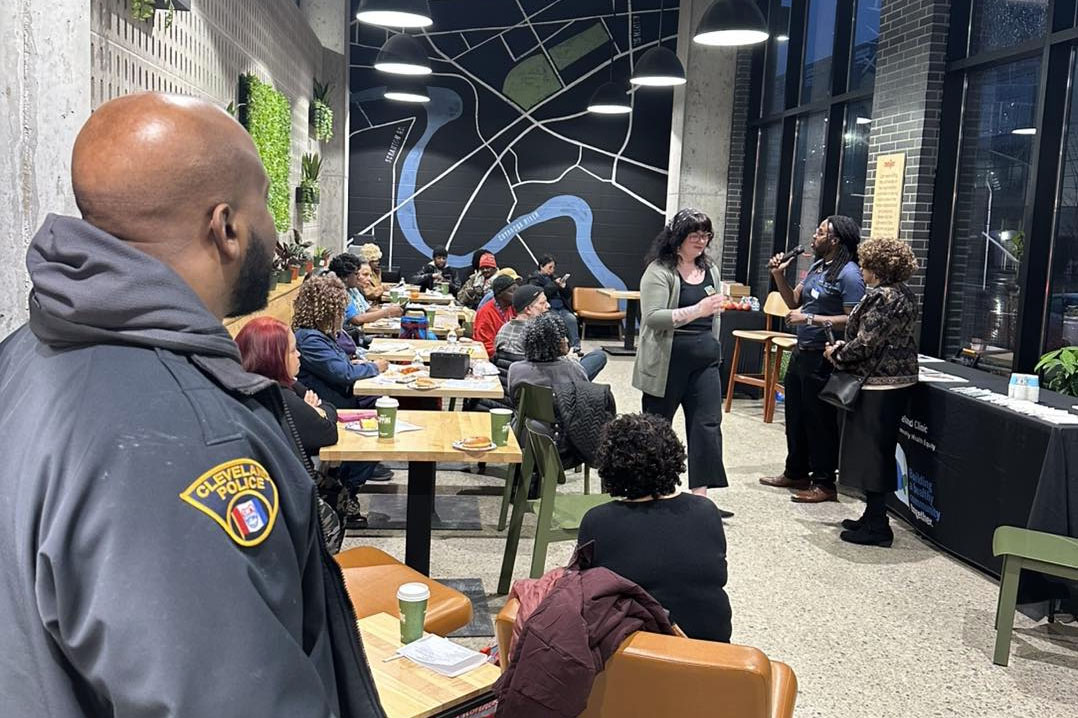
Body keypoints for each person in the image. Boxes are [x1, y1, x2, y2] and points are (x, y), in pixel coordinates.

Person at [0, 93, 385, 716]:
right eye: (265, 202)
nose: (277, 234)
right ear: (226, 227)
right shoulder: (188, 442)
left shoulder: (19, 359)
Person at [577, 413, 732, 642]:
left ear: (609, 467)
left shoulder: (597, 521)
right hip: (708, 657)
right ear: (675, 459)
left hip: (629, 656)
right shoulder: (706, 512)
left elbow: (585, 595)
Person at [760, 215, 866, 504]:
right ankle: (795, 471)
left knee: (820, 422)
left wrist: (811, 319)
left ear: (834, 240)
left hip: (824, 357)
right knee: (796, 417)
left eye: (820, 232)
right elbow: (794, 302)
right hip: (801, 352)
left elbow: (853, 320)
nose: (813, 237)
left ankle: (824, 483)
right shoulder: (818, 267)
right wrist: (779, 275)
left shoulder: (850, 274)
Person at [236, 316, 377, 529]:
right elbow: (328, 432)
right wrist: (318, 411)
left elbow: (326, 405)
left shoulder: (270, 385)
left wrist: (319, 410)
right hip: (292, 505)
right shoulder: (277, 397)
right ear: (272, 357)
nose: (299, 354)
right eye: (292, 351)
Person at [633, 208, 730, 513]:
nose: (702, 241)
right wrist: (697, 310)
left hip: (705, 361)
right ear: (678, 238)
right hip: (667, 361)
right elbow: (652, 318)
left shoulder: (710, 269)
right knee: (657, 426)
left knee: (707, 426)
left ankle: (700, 498)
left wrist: (714, 314)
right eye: (695, 235)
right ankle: (653, 491)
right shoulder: (659, 271)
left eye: (706, 235)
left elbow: (712, 312)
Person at [825, 237, 919, 547]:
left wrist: (837, 353)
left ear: (876, 269)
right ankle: (871, 514)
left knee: (872, 453)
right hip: (898, 382)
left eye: (865, 265)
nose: (861, 270)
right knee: (878, 450)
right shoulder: (905, 294)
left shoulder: (882, 298)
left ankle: (878, 524)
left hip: (878, 385)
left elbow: (867, 343)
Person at [293, 274, 389, 410]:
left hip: (343, 395)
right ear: (327, 312)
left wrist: (350, 363)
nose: (342, 316)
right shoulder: (309, 340)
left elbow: (335, 367)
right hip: (335, 404)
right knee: (388, 401)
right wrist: (375, 367)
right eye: (340, 310)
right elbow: (344, 374)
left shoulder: (317, 333)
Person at [498, 285, 608, 380]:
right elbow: (556, 366)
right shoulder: (542, 334)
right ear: (528, 309)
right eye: (543, 303)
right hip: (547, 383)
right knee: (599, 356)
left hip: (514, 386)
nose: (548, 306)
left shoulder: (503, 330)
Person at [331, 253, 403, 329]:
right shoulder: (339, 293)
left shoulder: (353, 289)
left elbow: (368, 310)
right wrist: (386, 312)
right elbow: (357, 319)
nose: (358, 277)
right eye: (356, 274)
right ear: (345, 276)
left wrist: (390, 311)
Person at [529, 254, 580, 350]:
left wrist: (564, 287)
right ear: (541, 266)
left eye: (553, 267)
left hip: (562, 308)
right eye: (550, 267)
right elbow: (541, 294)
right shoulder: (534, 279)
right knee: (555, 320)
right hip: (548, 309)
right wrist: (555, 285)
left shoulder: (555, 277)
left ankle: (575, 346)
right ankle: (558, 347)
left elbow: (568, 295)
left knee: (571, 319)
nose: (552, 270)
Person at [473, 274, 517, 355]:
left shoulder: (511, 307)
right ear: (499, 294)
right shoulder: (486, 313)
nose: (516, 294)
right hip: (493, 357)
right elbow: (485, 345)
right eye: (512, 291)